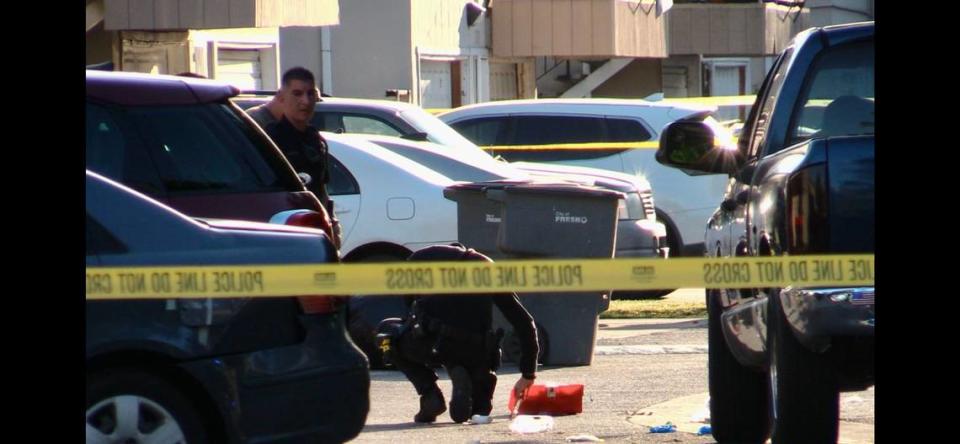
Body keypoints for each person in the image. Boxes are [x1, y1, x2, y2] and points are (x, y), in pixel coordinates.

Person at [377, 244, 538, 424]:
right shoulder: (488, 268)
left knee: (387, 335)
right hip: (477, 352)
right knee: (479, 412)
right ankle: (463, 373)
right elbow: (524, 322)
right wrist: (528, 374)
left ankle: (429, 393)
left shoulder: (420, 259)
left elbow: (410, 313)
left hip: (434, 345)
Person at [260, 67, 339, 245]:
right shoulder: (270, 138)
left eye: (310, 94)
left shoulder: (315, 140)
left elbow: (322, 190)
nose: (305, 101)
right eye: (297, 94)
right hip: (285, 230)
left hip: (317, 229)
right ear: (281, 97)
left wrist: (333, 226)